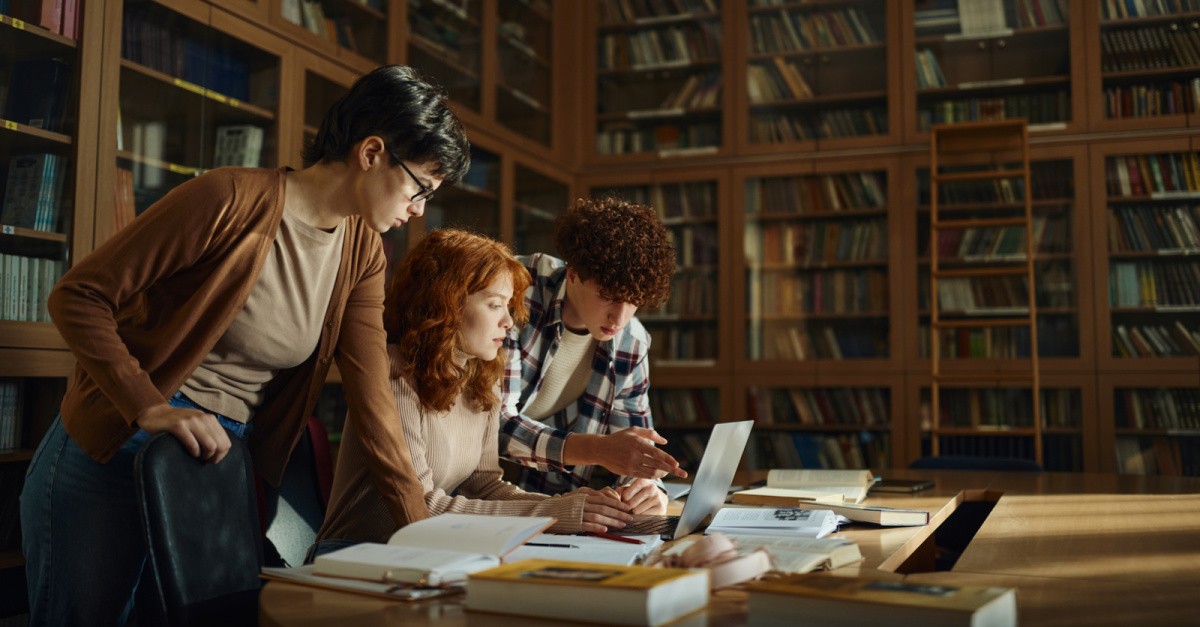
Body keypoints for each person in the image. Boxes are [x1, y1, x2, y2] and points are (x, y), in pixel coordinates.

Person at [18, 64, 469, 626]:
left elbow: (372, 393)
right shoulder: (228, 198)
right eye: (419, 187)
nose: (419, 208)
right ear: (372, 152)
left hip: (216, 461)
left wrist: (417, 526)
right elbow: (78, 296)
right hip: (122, 440)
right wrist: (149, 405)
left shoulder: (362, 253)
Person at [313, 229, 632, 556]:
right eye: (495, 305)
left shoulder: (482, 376)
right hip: (352, 555)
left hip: (428, 555)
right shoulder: (393, 371)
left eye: (509, 306)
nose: (509, 321)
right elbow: (424, 507)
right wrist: (558, 513)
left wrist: (574, 506)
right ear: (447, 304)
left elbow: (485, 486)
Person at [499, 196, 685, 516]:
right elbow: (491, 427)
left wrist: (649, 488)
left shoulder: (632, 340)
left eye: (633, 301)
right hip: (469, 485)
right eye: (608, 297)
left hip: (547, 497)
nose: (619, 318)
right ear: (573, 272)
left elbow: (635, 438)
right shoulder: (512, 291)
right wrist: (597, 450)